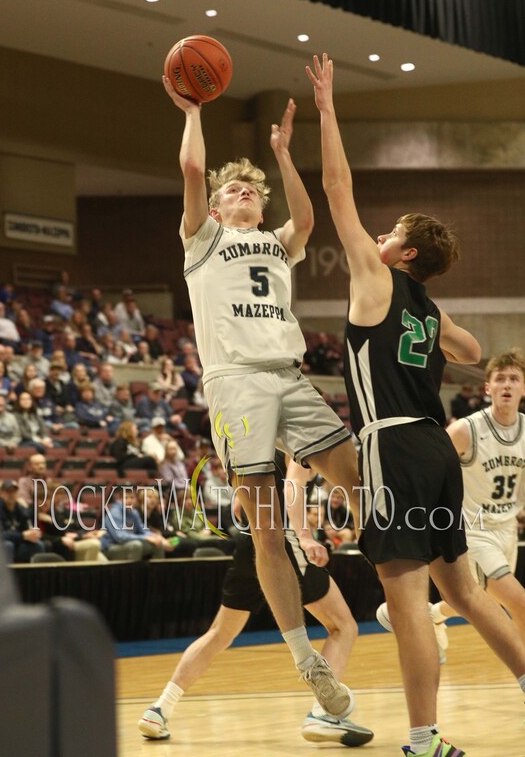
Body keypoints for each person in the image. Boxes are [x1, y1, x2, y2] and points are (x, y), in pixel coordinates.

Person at [306, 53, 525, 757]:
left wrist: (327, 108)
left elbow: (335, 186)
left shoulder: (375, 281)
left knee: (407, 607)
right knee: (463, 594)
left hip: (393, 447)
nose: (377, 234)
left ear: (403, 255)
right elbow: (472, 349)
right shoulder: (427, 308)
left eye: (390, 232)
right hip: (434, 450)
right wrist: (432, 322)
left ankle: (424, 738)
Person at [162, 74, 363, 719]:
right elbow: (192, 169)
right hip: (236, 382)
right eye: (231, 189)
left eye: (250, 188)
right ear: (216, 209)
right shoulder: (203, 239)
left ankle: (408, 594)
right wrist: (193, 111)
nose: (242, 191)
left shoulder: (277, 244)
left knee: (361, 478)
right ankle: (307, 660)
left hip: (288, 375)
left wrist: (282, 154)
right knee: (266, 530)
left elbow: (306, 219)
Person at [139, 457, 373, 745]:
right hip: (283, 542)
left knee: (219, 633)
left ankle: (159, 709)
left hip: (251, 540)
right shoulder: (296, 438)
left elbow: (239, 503)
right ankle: (323, 713)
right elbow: (293, 484)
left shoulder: (253, 443)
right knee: (343, 626)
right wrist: (304, 535)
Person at [377, 347, 525, 660]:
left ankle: (433, 614)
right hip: (475, 531)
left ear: (523, 388)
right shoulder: (466, 430)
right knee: (519, 602)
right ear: (488, 388)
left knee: (478, 597)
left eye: (514, 379)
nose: (507, 385)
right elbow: (429, 468)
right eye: (500, 379)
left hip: (507, 530)